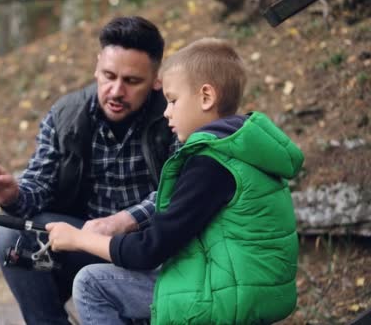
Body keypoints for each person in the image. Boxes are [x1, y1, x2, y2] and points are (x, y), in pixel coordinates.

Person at [46, 37, 304, 324]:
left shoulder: (211, 164)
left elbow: (147, 250)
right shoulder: (241, 149)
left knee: (91, 283)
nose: (166, 112)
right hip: (242, 288)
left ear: (206, 97)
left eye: (173, 100)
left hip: (221, 295)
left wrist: (79, 238)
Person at [0, 16, 176, 324]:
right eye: (108, 76)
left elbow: (182, 189)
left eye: (132, 81)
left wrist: (124, 221)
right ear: (96, 66)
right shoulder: (65, 115)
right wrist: (12, 194)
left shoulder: (175, 114)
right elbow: (38, 188)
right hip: (85, 243)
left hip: (152, 250)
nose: (116, 91)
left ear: (156, 79)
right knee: (9, 230)